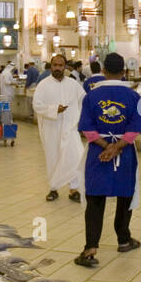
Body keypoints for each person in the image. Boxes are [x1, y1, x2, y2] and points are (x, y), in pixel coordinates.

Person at [74, 52, 141, 267]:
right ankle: (124, 240)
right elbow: (136, 129)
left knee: (95, 199)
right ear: (124, 72)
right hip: (125, 153)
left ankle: (90, 249)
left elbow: (87, 129)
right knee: (125, 195)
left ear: (103, 71)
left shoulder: (91, 96)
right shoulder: (135, 97)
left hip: (99, 152)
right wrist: (118, 147)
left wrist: (106, 147)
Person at [32, 54, 85, 202]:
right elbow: (37, 105)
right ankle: (53, 188)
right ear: (51, 66)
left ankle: (74, 189)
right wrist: (55, 109)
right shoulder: (43, 85)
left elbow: (83, 100)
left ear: (65, 66)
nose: (57, 68)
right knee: (53, 157)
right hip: (51, 128)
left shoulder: (73, 84)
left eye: (60, 65)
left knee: (75, 157)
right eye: (55, 65)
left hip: (70, 128)